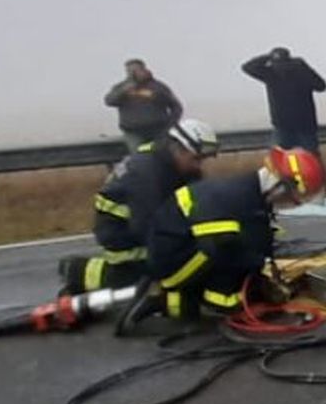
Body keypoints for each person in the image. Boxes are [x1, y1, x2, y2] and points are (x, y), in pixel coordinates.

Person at [138, 147, 326, 320]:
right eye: (293, 199)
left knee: (241, 259)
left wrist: (266, 268)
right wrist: (259, 276)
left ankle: (183, 296)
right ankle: (167, 299)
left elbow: (258, 242)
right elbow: (219, 248)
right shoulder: (239, 200)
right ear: (280, 187)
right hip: (172, 256)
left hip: (187, 244)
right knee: (230, 301)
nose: (292, 205)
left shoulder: (252, 194)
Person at [57, 119, 219, 295]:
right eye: (196, 159)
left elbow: (199, 199)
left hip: (143, 223)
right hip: (122, 234)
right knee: (165, 274)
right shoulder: (148, 173)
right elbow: (146, 226)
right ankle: (78, 271)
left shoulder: (176, 165)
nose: (198, 165)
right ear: (177, 148)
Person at [241, 47, 326, 152]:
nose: (281, 68)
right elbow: (247, 67)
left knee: (309, 163)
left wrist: (304, 68)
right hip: (284, 127)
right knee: (283, 162)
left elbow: (321, 86)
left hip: (303, 128)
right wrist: (268, 56)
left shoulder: (299, 73)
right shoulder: (271, 74)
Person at [104, 59, 184, 151]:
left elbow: (176, 107)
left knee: (161, 155)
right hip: (133, 132)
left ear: (144, 70)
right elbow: (109, 101)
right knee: (139, 158)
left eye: (136, 70)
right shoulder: (121, 88)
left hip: (158, 131)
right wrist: (124, 91)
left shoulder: (158, 87)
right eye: (129, 71)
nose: (132, 73)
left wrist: (170, 124)